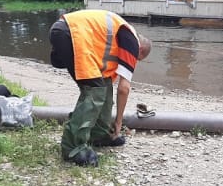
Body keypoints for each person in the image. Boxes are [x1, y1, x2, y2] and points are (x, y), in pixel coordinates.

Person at [49, 9, 152, 167]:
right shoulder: (131, 41)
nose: (133, 62)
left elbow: (107, 75)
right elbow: (124, 88)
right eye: (136, 60)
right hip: (70, 35)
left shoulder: (121, 35)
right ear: (140, 51)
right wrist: (118, 121)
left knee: (104, 85)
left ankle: (98, 135)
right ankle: (73, 147)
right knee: (94, 90)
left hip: (66, 33)